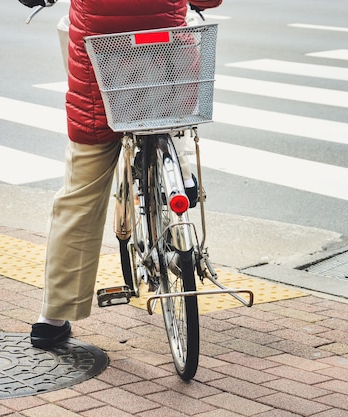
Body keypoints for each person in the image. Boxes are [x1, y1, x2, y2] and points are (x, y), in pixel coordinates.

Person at [17, 0, 222, 349]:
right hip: (166, 58)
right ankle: (181, 171)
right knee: (171, 119)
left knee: (81, 192)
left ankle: (52, 317)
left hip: (104, 73)